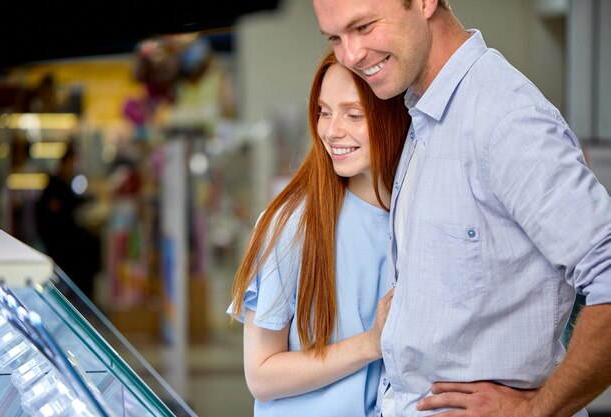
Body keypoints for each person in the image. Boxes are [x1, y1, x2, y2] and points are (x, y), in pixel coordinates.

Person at [312, 1, 611, 416]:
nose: (350, 55)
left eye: (363, 27)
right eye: (335, 37)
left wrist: (535, 409)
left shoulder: (502, 118)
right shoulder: (422, 114)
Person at [227, 50, 410, 416]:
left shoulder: (413, 217)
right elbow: (261, 375)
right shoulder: (291, 223)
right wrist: (370, 344)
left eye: (353, 114)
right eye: (324, 112)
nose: (331, 130)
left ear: (395, 115)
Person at [35, 144, 101, 301]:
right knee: (89, 248)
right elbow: (61, 210)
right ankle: (80, 296)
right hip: (60, 241)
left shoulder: (60, 183)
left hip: (63, 238)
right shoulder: (55, 184)